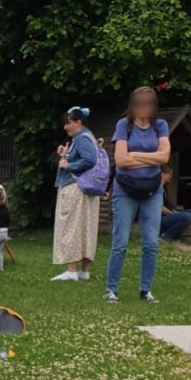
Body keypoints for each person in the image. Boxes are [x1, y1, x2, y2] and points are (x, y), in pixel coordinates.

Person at [104, 86, 171, 304]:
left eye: (147, 103)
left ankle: (146, 290)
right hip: (125, 190)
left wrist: (135, 154)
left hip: (152, 190)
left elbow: (165, 157)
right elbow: (121, 160)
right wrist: (152, 158)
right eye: (139, 103)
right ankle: (111, 289)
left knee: (151, 242)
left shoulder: (160, 125)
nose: (143, 107)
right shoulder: (124, 125)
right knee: (120, 242)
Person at [52, 106, 101, 281]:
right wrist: (65, 154)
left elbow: (90, 160)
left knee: (71, 227)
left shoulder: (81, 138)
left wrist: (68, 165)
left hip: (74, 188)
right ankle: (84, 271)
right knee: (85, 228)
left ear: (79, 122)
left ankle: (71, 270)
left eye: (68, 123)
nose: (65, 127)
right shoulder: (87, 137)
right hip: (84, 189)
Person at [160, 167, 191, 241]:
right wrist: (173, 214)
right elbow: (160, 208)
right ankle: (167, 235)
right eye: (169, 174)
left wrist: (175, 212)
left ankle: (174, 233)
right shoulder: (157, 188)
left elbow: (168, 205)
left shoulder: (164, 187)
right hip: (159, 219)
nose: (171, 176)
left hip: (168, 215)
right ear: (162, 174)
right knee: (187, 216)